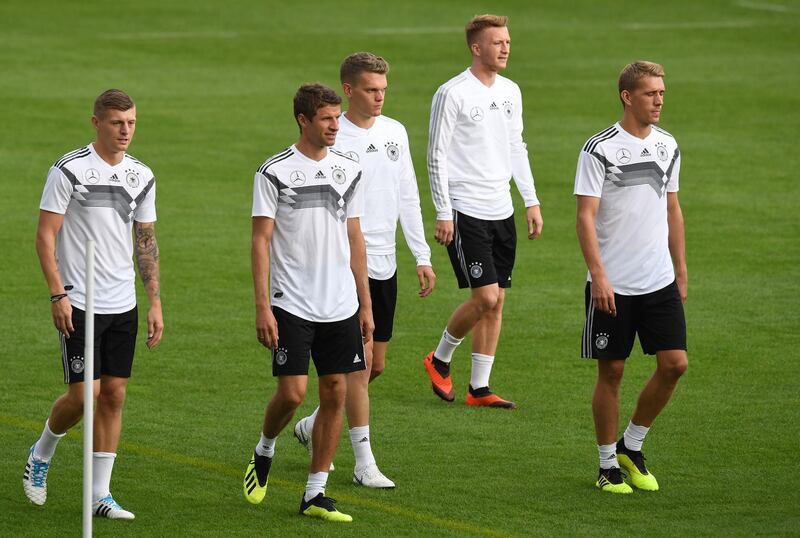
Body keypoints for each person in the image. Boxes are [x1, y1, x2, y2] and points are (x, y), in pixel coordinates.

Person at [293, 52, 435, 489]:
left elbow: (407, 191)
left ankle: (312, 424)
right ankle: (363, 461)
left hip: (386, 264)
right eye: (372, 90)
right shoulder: (333, 139)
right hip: (347, 267)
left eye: (384, 91)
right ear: (350, 90)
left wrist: (421, 253)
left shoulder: (395, 132)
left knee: (374, 368)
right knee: (359, 366)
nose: (379, 98)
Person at [24, 89, 163, 519]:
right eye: (118, 123)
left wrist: (154, 300)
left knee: (115, 395)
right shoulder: (69, 171)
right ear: (97, 123)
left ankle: (99, 494)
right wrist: (57, 293)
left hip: (123, 301)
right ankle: (41, 453)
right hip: (79, 299)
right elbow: (46, 236)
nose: (126, 131)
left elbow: (146, 241)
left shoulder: (142, 175)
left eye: (132, 123)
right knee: (85, 395)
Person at [245, 83, 372, 522]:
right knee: (293, 392)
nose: (336, 125)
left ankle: (314, 494)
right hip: (291, 301)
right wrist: (262, 305)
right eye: (326, 119)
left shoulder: (349, 168)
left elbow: (355, 237)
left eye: (337, 118)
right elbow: (260, 241)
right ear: (303, 120)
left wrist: (365, 303)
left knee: (335, 391)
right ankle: (265, 448)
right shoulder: (275, 172)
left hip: (340, 301)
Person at [574, 61, 688, 494]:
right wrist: (599, 275)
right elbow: (585, 217)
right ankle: (607, 464)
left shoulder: (668, 145)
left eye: (662, 92)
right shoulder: (599, 148)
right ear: (627, 96)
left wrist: (680, 268)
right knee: (613, 371)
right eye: (650, 93)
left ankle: (632, 444)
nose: (659, 99)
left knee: (675, 364)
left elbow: (672, 208)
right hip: (614, 283)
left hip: (658, 279)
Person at [425, 14, 543, 409]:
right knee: (486, 297)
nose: (506, 47)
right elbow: (436, 155)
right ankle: (439, 358)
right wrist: (444, 210)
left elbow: (516, 146)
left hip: (501, 208)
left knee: (499, 299)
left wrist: (530, 199)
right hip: (465, 208)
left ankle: (479, 388)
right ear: (477, 48)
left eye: (508, 41)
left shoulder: (511, 91)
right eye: (497, 42)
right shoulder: (453, 93)